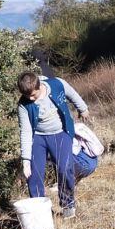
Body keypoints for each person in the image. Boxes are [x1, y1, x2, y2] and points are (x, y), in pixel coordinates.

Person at [17, 71, 91, 219]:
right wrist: (25, 161)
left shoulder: (57, 84)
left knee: (65, 168)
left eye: (33, 95)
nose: (30, 99)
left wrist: (82, 108)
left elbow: (73, 94)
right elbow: (25, 132)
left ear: (39, 86)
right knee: (34, 173)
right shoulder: (23, 105)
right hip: (37, 138)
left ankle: (68, 205)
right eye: (27, 96)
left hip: (60, 133)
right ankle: (39, 211)